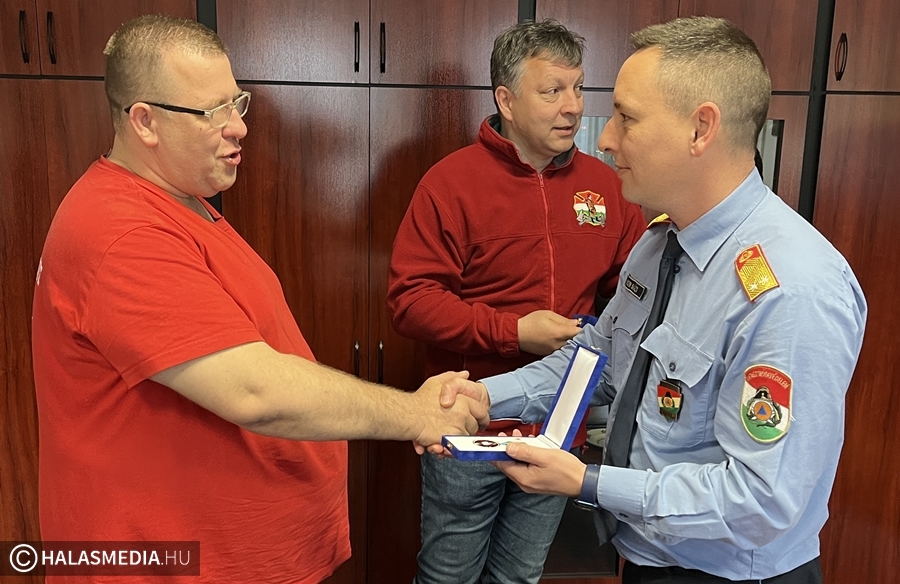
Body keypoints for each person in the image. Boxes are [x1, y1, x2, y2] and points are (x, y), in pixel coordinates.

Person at [30, 15, 485, 583]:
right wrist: (415, 413)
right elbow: (254, 390)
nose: (239, 127)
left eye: (236, 103)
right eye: (212, 111)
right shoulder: (122, 232)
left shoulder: (182, 203)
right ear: (145, 121)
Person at [439, 16, 867, 584]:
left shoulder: (792, 289)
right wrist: (482, 395)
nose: (605, 138)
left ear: (700, 129)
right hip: (648, 558)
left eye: (627, 117)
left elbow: (761, 500)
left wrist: (587, 483)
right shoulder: (657, 243)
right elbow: (597, 358)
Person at [387, 19, 645, 584]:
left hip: (559, 426)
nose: (573, 107)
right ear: (506, 100)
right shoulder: (450, 183)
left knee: (520, 576)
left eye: (578, 87)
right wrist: (514, 332)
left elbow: (632, 293)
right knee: (448, 574)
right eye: (552, 91)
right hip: (470, 419)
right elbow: (411, 300)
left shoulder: (607, 186)